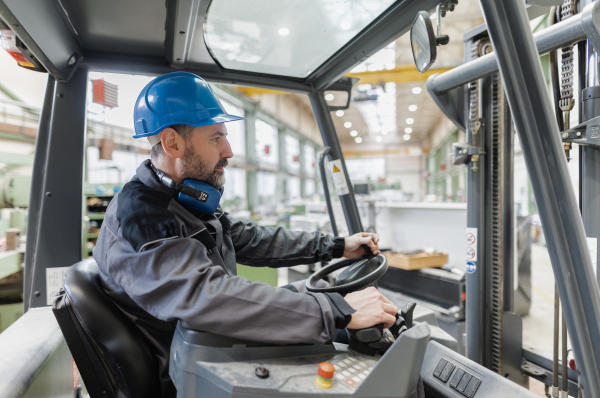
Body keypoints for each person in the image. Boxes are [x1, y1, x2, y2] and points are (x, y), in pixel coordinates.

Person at [93, 72, 398, 397]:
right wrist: (337, 311)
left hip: (206, 342)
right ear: (173, 144)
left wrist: (336, 246)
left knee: (320, 287)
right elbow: (204, 295)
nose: (229, 150)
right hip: (185, 368)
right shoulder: (140, 215)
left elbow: (248, 237)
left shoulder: (185, 199)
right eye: (216, 138)